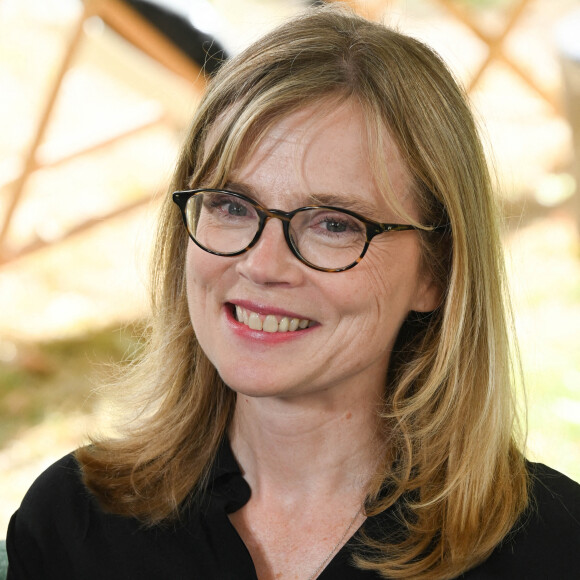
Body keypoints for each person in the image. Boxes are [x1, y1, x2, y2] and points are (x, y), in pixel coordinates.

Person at [6, 6, 580, 580]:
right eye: (231, 206)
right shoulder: (75, 525)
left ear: (437, 272)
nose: (262, 265)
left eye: (334, 223)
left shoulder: (552, 552)